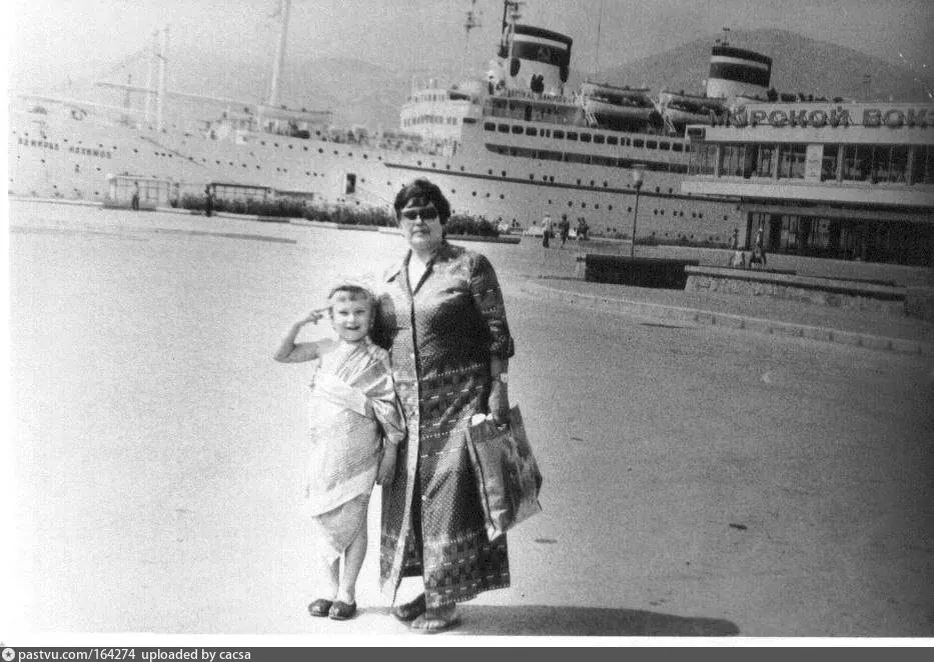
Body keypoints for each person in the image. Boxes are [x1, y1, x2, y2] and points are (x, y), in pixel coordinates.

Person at [374, 178, 515, 633]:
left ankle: (446, 600)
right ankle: (431, 586)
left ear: (443, 219)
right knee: (413, 500)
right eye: (410, 215)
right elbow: (377, 339)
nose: (419, 222)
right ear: (399, 223)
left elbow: (496, 329)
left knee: (451, 498)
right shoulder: (391, 279)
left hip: (460, 401)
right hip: (411, 410)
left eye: (428, 214)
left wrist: (498, 387)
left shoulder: (470, 265)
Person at [274, 284, 406, 622]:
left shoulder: (379, 358)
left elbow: (390, 408)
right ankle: (328, 588)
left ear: (371, 317)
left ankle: (347, 591)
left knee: (356, 520)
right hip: (325, 452)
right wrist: (298, 323)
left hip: (361, 452)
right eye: (343, 313)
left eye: (360, 312)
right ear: (331, 319)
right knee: (325, 515)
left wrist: (390, 453)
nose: (351, 319)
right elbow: (282, 354)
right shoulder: (324, 348)